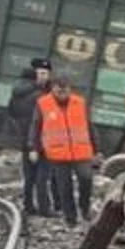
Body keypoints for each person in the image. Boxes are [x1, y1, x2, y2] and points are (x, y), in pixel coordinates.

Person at [29, 76, 95, 224]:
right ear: (53, 89)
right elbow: (35, 127)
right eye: (59, 91)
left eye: (65, 91)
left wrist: (97, 148)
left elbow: (90, 126)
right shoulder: (43, 104)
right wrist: (33, 147)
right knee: (64, 187)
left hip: (81, 151)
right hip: (57, 153)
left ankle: (85, 208)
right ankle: (70, 217)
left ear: (70, 89)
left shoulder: (80, 103)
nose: (62, 94)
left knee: (86, 178)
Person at [7, 58, 53, 216]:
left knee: (32, 176)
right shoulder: (39, 95)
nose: (43, 76)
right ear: (34, 74)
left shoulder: (20, 91)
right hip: (37, 139)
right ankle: (43, 208)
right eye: (40, 73)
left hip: (30, 138)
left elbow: (11, 112)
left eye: (45, 73)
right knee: (40, 176)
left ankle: (29, 205)